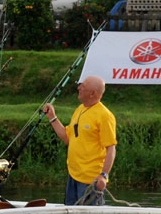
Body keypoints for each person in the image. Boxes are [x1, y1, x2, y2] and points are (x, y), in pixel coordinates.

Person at [42, 75, 117, 206]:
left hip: (90, 180)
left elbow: (111, 148)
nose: (79, 88)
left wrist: (103, 175)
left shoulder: (105, 116)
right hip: (73, 175)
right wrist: (52, 118)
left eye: (83, 86)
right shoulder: (80, 109)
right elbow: (67, 138)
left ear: (92, 93)